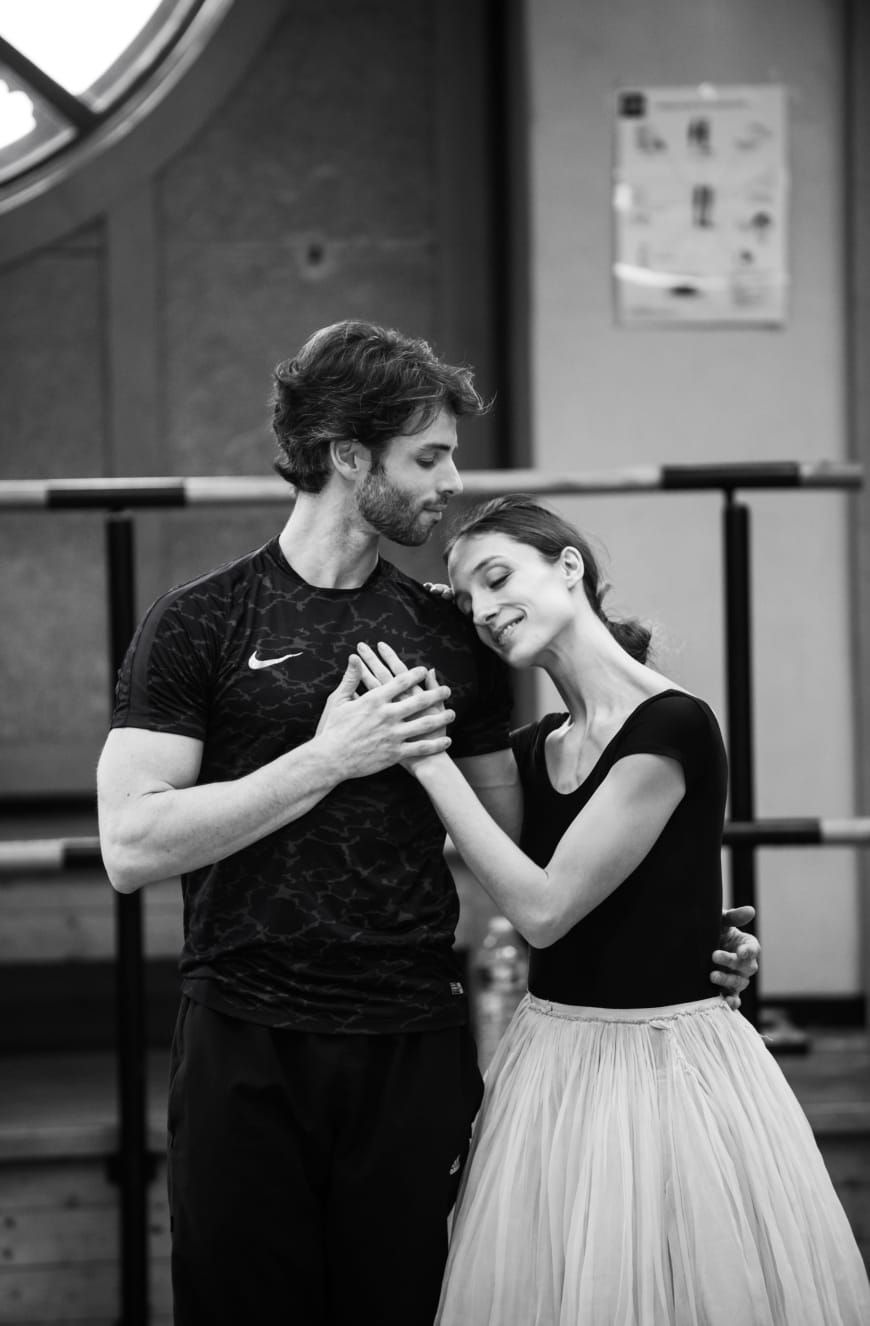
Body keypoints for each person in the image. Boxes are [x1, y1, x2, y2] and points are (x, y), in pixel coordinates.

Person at [96, 322, 758, 1326]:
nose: (451, 480)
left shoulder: (454, 632)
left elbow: (539, 847)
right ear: (348, 455)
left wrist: (685, 944)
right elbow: (130, 846)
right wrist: (329, 757)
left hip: (411, 1044)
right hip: (243, 1037)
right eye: (429, 456)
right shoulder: (200, 620)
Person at [353, 494, 870, 1326]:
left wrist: (428, 758)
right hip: (550, 1064)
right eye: (469, 600)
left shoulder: (673, 725)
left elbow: (544, 910)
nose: (483, 611)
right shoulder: (530, 751)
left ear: (569, 567)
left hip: (669, 1073)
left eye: (497, 578)